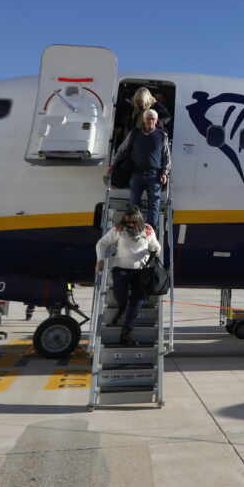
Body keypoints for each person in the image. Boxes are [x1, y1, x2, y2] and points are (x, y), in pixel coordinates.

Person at [94, 208, 161, 346]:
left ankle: (126, 333)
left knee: (137, 302)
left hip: (140, 272)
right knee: (120, 295)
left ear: (139, 220)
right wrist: (100, 259)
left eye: (132, 222)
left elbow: (156, 246)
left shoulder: (148, 230)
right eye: (127, 221)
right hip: (121, 270)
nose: (129, 224)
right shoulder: (119, 229)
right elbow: (101, 243)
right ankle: (122, 307)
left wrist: (155, 252)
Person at [106, 108, 170, 227]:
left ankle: (150, 229)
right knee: (134, 203)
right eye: (148, 118)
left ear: (156, 121)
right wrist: (113, 165)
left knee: (154, 203)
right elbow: (122, 150)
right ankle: (134, 227)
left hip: (154, 175)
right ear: (143, 120)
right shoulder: (135, 133)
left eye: (152, 119)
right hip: (137, 174)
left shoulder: (162, 136)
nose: (150, 121)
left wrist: (165, 173)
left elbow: (166, 157)